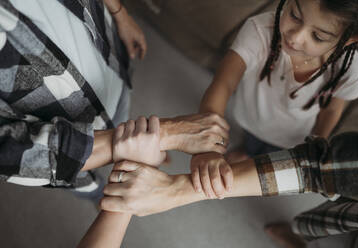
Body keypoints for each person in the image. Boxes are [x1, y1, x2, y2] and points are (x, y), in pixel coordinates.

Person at [0, 0, 229, 191]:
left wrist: (119, 13)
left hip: (108, 59)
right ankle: (100, 189)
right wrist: (166, 134)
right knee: (91, 185)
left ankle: (141, 142)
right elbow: (14, 155)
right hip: (65, 133)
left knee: (122, 113)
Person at [190, 0, 358, 200]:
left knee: (273, 154)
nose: (295, 37)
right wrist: (208, 144)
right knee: (252, 142)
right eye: (294, 15)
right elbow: (223, 83)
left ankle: (252, 157)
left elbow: (331, 111)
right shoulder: (259, 31)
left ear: (352, 38)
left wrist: (316, 144)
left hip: (295, 134)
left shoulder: (351, 71)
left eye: (318, 36)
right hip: (253, 116)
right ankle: (248, 151)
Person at [88, 130, 358, 248]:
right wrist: (176, 188)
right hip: (354, 217)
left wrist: (174, 189)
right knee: (319, 226)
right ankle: (297, 237)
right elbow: (333, 168)